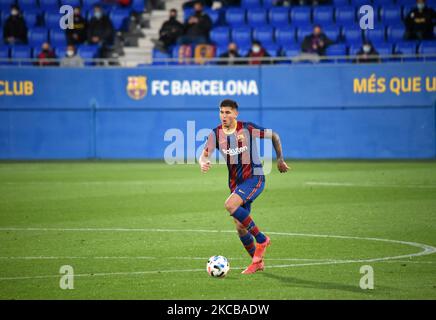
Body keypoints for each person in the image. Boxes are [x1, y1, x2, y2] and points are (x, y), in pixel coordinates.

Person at [199, 99, 290, 274]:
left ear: (235, 113)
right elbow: (204, 155)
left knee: (230, 205)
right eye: (221, 112)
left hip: (254, 178)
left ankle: (262, 240)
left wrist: (280, 159)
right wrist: (203, 162)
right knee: (240, 227)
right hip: (236, 183)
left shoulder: (247, 128)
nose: (223, 116)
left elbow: (274, 135)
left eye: (227, 112)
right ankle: (257, 262)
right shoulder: (215, 134)